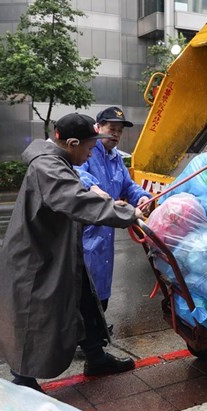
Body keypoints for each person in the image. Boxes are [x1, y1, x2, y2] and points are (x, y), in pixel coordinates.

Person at [0, 113, 144, 392]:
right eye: (89, 148)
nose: (90, 154)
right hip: (37, 259)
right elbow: (76, 200)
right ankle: (23, 380)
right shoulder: (48, 167)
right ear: (72, 143)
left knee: (85, 302)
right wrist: (127, 214)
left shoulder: (60, 161)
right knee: (33, 316)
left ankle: (96, 358)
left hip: (60, 252)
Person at [76, 107, 151, 316]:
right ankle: (88, 330)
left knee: (101, 288)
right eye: (112, 129)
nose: (116, 134)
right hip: (87, 231)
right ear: (98, 128)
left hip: (106, 232)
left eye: (120, 131)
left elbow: (128, 185)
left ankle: (98, 326)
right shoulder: (88, 151)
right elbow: (76, 172)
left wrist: (142, 196)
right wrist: (92, 186)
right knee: (84, 289)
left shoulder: (115, 157)